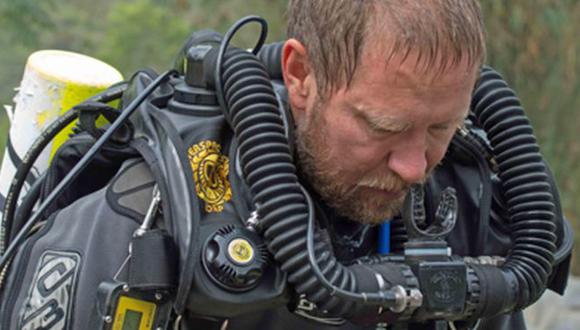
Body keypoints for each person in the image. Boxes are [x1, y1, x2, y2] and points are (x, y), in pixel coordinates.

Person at [0, 1, 571, 330]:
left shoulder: (460, 206)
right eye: (384, 127)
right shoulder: (152, 215)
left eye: (441, 127)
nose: (416, 165)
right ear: (300, 76)